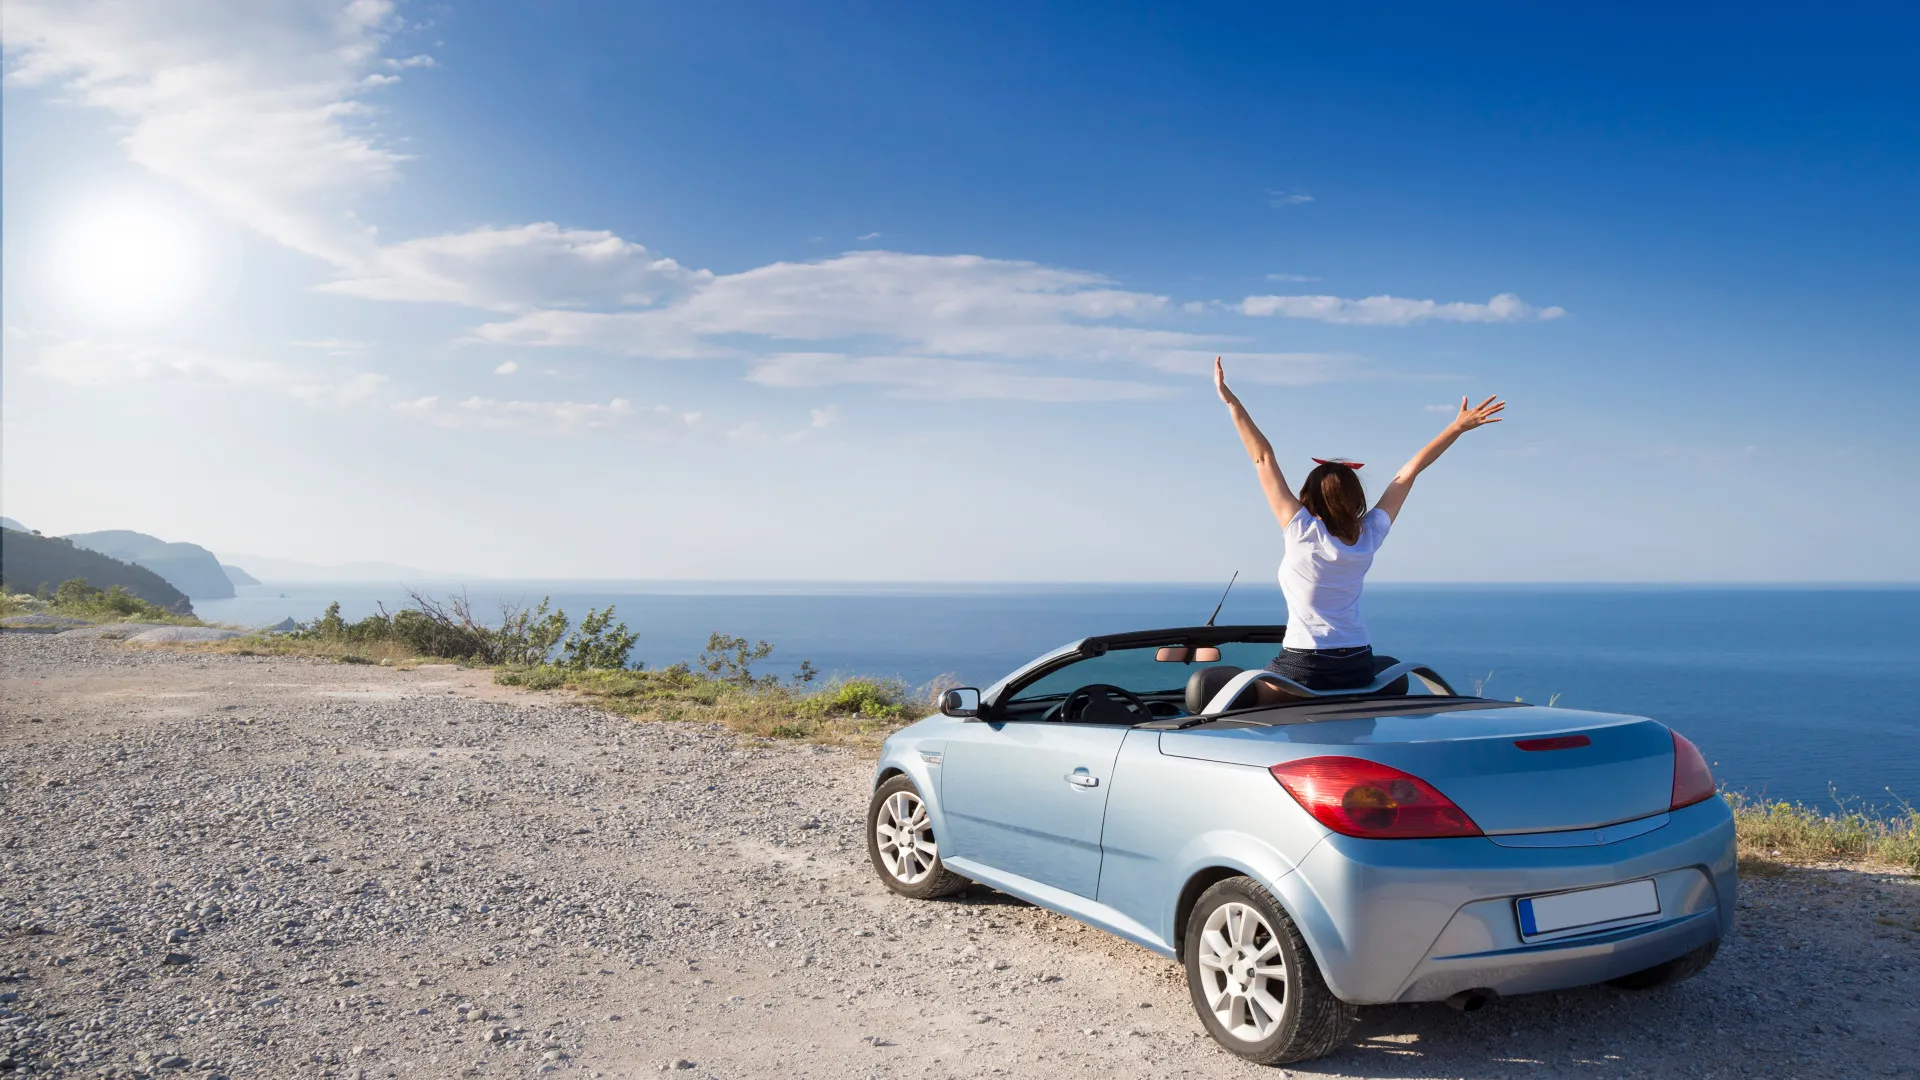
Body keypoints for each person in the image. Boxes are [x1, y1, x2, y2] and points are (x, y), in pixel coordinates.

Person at [1213, 357, 1505, 693]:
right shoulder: (1368, 534)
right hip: (1357, 660)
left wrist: (1231, 401)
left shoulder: (1302, 531)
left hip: (1306, 662)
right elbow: (1408, 473)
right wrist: (1456, 428)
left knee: (1222, 690)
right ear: (1355, 499)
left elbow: (1262, 457)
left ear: (1310, 496)